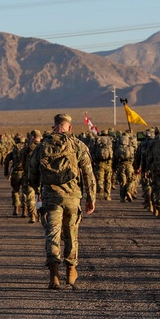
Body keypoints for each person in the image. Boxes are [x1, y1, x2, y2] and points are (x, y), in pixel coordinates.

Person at [27, 113, 97, 289]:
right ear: (69, 127)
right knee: (71, 234)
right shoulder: (77, 145)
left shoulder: (42, 145)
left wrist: (38, 191)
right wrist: (91, 198)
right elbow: (88, 174)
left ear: (54, 126)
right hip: (72, 198)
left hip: (50, 197)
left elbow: (32, 174)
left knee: (53, 234)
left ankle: (54, 275)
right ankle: (71, 273)